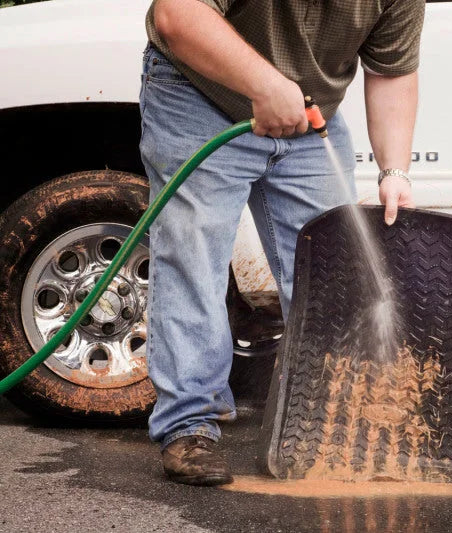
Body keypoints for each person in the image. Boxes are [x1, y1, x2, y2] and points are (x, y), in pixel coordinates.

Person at [139, 0, 424, 486]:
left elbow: (392, 71)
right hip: (200, 95)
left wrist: (394, 170)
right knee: (193, 258)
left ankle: (328, 423)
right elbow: (177, 14)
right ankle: (189, 426)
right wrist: (265, 85)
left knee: (332, 272)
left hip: (310, 117)